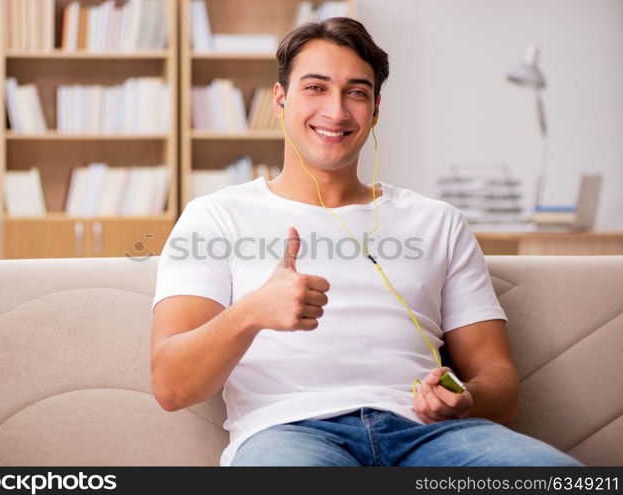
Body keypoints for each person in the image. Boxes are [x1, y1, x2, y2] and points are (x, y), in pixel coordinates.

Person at [149, 17, 582, 467]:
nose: (336, 111)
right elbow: (171, 386)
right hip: (291, 436)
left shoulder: (438, 222)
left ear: (375, 110)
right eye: (315, 87)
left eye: (356, 92)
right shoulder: (215, 218)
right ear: (280, 100)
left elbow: (502, 385)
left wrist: (464, 397)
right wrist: (251, 313)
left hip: (431, 435)